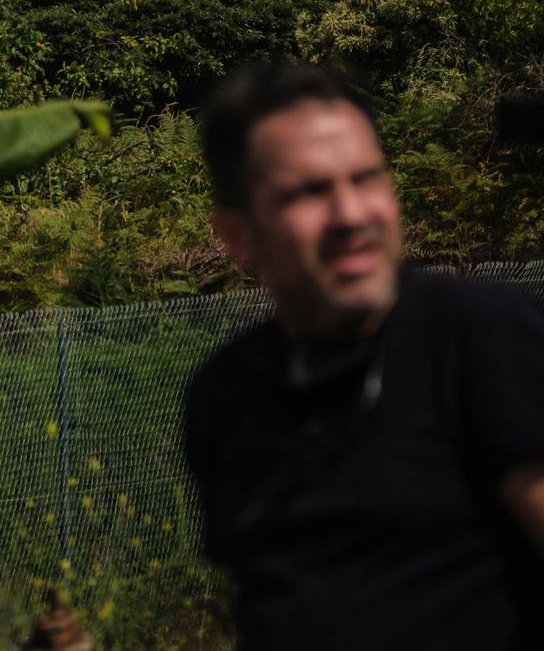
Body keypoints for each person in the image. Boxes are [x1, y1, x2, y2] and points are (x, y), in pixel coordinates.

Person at [184, 64, 544, 648]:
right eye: (309, 192)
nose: (351, 215)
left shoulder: (482, 335)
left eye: (367, 178)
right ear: (238, 235)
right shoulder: (225, 393)